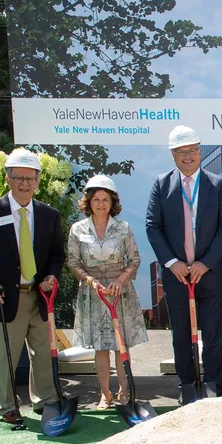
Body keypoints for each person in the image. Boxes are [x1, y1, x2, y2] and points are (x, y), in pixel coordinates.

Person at [0, 148, 65, 423]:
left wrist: (52, 276)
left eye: (30, 179)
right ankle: (7, 405)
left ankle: (46, 400)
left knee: (43, 353)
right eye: (18, 177)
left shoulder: (48, 214)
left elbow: (57, 255)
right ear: (7, 179)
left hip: (39, 296)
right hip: (5, 298)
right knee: (4, 356)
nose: (24, 184)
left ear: (38, 181)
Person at [146, 125, 222, 400]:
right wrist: (172, 263)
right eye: (181, 152)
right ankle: (187, 384)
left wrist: (205, 263)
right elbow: (152, 226)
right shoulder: (161, 185)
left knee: (213, 335)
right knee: (181, 335)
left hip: (210, 274)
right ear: (173, 154)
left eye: (193, 150)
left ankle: (213, 387)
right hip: (177, 275)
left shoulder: (218, 185)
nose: (188, 156)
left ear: (200, 151)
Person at [67, 175, 147, 409]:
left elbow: (134, 259)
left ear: (113, 203)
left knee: (121, 344)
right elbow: (73, 263)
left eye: (106, 199)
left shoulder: (123, 228)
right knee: (100, 346)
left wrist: (121, 279)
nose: (101, 204)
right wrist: (90, 280)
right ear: (88, 202)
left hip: (119, 293)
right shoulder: (77, 229)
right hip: (93, 294)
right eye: (96, 199)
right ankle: (105, 394)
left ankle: (125, 391)